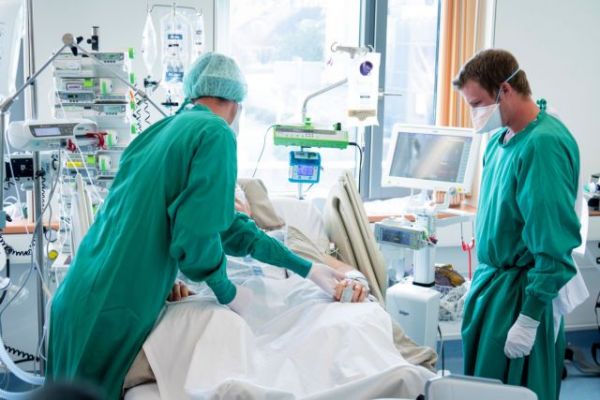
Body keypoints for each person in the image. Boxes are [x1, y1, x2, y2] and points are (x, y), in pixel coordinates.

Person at [46, 52, 350, 399]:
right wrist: (226, 290)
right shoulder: (216, 134)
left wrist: (307, 267)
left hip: (78, 294)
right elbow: (195, 236)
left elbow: (228, 226)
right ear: (236, 103)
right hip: (114, 307)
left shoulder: (157, 132)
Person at [453, 49, 581, 400]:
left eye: (477, 104)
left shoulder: (543, 146)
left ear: (505, 89)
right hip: (494, 286)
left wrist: (529, 318)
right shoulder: (500, 141)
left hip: (521, 297)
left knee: (514, 390)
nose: (475, 115)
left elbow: (553, 244)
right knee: (482, 388)